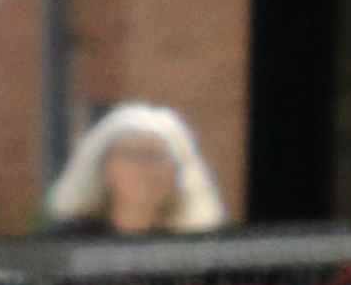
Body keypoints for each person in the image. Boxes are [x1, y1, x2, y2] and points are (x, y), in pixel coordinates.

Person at [50, 98, 230, 239]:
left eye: (158, 157)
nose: (146, 168)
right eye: (132, 154)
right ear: (104, 166)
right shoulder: (65, 243)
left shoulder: (200, 249)